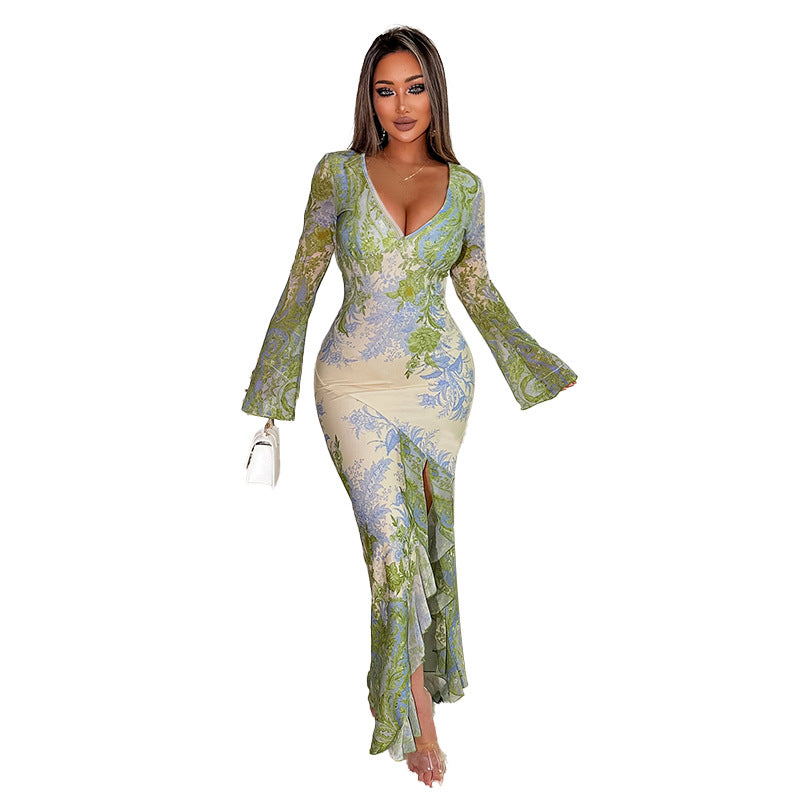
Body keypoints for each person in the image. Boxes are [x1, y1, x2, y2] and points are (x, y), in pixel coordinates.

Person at [241, 26, 577, 787]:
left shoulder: (467, 189)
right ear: (369, 98)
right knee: (391, 546)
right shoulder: (336, 175)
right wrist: (271, 390)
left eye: (415, 87)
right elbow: (301, 281)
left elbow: (477, 290)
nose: (401, 105)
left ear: (435, 94)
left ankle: (415, 692)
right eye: (385, 89)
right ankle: (414, 712)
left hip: (438, 387)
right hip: (350, 384)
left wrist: (535, 365)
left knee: (427, 540)